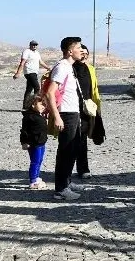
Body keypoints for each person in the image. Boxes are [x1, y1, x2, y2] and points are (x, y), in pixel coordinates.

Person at [46, 37, 84, 200]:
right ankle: (60, 189)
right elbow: (49, 92)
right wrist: (56, 117)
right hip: (65, 114)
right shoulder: (62, 67)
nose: (82, 50)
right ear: (70, 51)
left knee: (73, 149)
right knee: (66, 151)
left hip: (73, 113)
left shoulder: (69, 67)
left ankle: (66, 182)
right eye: (79, 48)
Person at [72, 44, 101, 180]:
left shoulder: (90, 69)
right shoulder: (71, 68)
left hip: (87, 109)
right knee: (74, 139)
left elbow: (93, 90)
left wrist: (97, 107)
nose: (83, 54)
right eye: (81, 51)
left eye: (85, 52)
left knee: (83, 138)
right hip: (72, 108)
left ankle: (82, 168)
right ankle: (72, 169)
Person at [20, 95, 48, 189]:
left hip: (41, 142)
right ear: (33, 105)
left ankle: (36, 176)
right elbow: (24, 131)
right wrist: (24, 142)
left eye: (44, 104)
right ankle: (33, 180)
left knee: (39, 161)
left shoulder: (39, 115)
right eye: (41, 104)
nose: (43, 106)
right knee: (35, 162)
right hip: (34, 143)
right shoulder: (29, 117)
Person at [13, 40, 50, 109]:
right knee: (37, 88)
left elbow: (40, 62)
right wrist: (18, 73)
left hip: (35, 72)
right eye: (33, 45)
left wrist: (48, 67)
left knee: (29, 89)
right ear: (30, 45)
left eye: (35, 45)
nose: (34, 46)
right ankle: (36, 105)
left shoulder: (37, 53)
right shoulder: (27, 52)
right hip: (29, 72)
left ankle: (25, 106)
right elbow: (22, 62)